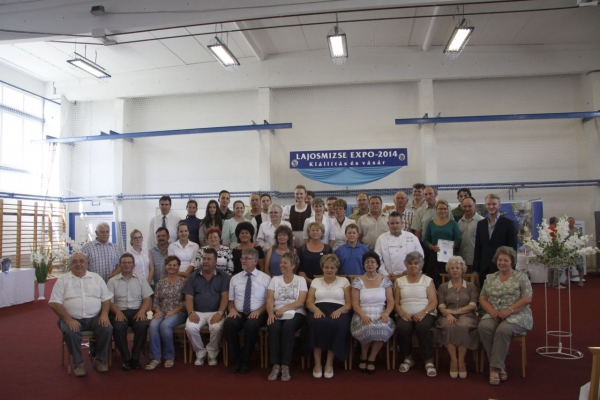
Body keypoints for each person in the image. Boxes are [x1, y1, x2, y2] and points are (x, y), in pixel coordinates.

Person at [49, 252, 113, 376]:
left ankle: (100, 360)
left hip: (95, 317)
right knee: (71, 332)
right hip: (71, 318)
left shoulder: (96, 278)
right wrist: (68, 320)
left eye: (81, 261)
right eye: (75, 261)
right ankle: (78, 363)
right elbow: (54, 303)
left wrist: (104, 314)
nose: (78, 264)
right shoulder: (63, 280)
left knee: (107, 328)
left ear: (87, 263)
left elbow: (106, 299)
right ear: (70, 264)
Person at [478, 246, 533, 385]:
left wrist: (509, 310)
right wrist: (492, 311)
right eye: (500, 260)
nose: (502, 263)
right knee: (483, 327)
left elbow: (527, 298)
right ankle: (501, 365)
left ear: (512, 262)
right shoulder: (490, 278)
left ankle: (494, 368)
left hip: (517, 314)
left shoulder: (521, 277)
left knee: (503, 330)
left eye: (506, 260)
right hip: (494, 313)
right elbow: (482, 297)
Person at [224, 248, 271, 373]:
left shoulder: (265, 278)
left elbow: (269, 301)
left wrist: (259, 311)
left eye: (247, 258)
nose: (243, 261)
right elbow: (230, 301)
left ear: (255, 261)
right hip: (239, 312)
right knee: (228, 323)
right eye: (242, 258)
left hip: (258, 312)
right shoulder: (235, 278)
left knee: (251, 326)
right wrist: (231, 310)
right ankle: (236, 359)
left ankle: (246, 359)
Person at [305, 254, 352, 379]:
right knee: (314, 323)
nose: (329, 270)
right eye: (326, 267)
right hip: (318, 309)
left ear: (337, 269)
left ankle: (329, 363)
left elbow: (349, 304)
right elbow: (309, 302)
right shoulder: (315, 281)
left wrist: (340, 310)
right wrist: (315, 309)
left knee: (338, 324)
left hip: (339, 310)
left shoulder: (344, 281)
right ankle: (317, 363)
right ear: (322, 268)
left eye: (332, 267)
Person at [394, 251, 438, 377]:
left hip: (425, 313)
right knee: (402, 327)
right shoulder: (399, 281)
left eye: (416, 263)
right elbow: (396, 302)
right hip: (404, 314)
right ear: (406, 265)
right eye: (410, 263)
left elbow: (433, 301)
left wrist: (424, 312)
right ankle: (408, 358)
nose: (413, 266)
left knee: (422, 327)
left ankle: (428, 361)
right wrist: (402, 313)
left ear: (420, 266)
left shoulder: (427, 280)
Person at [350, 251, 395, 374]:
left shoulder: (385, 280)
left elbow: (391, 302)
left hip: (381, 313)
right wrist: (363, 315)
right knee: (367, 327)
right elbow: (355, 304)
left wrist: (386, 314)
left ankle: (372, 358)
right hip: (362, 313)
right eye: (367, 262)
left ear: (377, 265)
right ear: (363, 265)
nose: (370, 264)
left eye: (372, 262)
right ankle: (363, 355)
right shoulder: (357, 281)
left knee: (383, 328)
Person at [107, 253, 153, 370]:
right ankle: (126, 358)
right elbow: (109, 302)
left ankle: (136, 358)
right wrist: (117, 312)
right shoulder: (112, 281)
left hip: (137, 311)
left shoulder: (141, 279)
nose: (126, 265)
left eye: (129, 262)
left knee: (142, 325)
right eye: (124, 263)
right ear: (120, 265)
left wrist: (142, 311)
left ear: (133, 265)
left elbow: (147, 298)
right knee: (118, 327)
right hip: (119, 311)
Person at [184, 248, 230, 366]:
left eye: (209, 259)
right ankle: (200, 353)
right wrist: (191, 312)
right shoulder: (193, 276)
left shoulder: (223, 276)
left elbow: (225, 297)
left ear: (215, 262)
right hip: (197, 312)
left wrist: (220, 313)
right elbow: (188, 297)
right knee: (190, 328)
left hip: (216, 312)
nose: (205, 261)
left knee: (216, 328)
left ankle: (212, 354)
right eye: (204, 258)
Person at [266, 252, 308, 382]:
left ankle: (285, 365)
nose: (281, 265)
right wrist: (270, 314)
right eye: (281, 262)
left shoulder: (300, 280)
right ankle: (275, 364)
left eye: (285, 263)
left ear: (293, 265)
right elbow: (269, 300)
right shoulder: (275, 279)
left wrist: (284, 308)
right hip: (277, 312)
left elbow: (301, 301)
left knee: (288, 328)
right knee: (273, 327)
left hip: (296, 312)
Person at [435, 256, 479, 379]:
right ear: (448, 270)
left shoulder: (471, 286)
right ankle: (454, 361)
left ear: (462, 269)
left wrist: (456, 311)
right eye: (452, 268)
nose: (455, 270)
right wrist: (448, 314)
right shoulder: (443, 287)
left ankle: (461, 361)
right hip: (447, 315)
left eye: (457, 268)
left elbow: (473, 305)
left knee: (463, 326)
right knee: (449, 325)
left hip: (467, 314)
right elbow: (441, 305)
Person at [145, 255, 187, 370]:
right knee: (153, 325)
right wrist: (157, 311)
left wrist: (173, 311)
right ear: (165, 267)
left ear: (178, 267)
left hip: (178, 312)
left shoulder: (184, 282)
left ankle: (169, 357)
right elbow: (156, 301)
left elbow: (186, 302)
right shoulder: (160, 282)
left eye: (174, 265)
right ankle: (155, 358)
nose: (172, 267)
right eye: (169, 265)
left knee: (165, 325)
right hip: (162, 311)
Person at [473, 194, 518, 286]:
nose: (491, 207)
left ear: (499, 205)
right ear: (486, 205)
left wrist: (512, 269)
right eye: (488, 204)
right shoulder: (481, 224)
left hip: (502, 267)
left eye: (494, 204)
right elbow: (478, 248)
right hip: (484, 268)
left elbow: (513, 249)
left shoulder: (509, 224)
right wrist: (475, 270)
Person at [423, 199, 462, 288]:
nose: (442, 211)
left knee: (449, 280)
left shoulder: (453, 224)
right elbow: (425, 240)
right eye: (440, 209)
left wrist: (450, 247)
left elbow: (458, 240)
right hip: (434, 256)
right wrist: (432, 247)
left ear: (447, 210)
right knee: (434, 280)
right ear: (436, 210)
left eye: (444, 209)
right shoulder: (431, 224)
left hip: (449, 257)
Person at [375, 212, 423, 282]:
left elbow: (420, 257)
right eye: (392, 223)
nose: (395, 226)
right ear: (388, 224)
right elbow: (377, 259)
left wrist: (411, 271)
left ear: (402, 223)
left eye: (397, 223)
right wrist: (385, 274)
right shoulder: (381, 239)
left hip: (410, 276)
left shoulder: (412, 237)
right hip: (389, 277)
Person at [297, 222, 333, 286]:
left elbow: (332, 265)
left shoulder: (327, 249)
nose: (315, 232)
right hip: (305, 283)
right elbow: (299, 267)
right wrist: (307, 280)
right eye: (312, 230)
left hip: (324, 282)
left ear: (322, 232)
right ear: (309, 233)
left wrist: (322, 280)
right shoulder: (302, 249)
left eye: (317, 230)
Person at [458, 197, 484, 272]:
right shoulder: (459, 222)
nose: (467, 208)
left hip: (476, 261)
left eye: (469, 206)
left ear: (475, 206)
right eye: (465, 206)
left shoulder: (482, 221)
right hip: (462, 261)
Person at [568, 216, 585, 287]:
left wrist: (579, 249)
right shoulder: (565, 231)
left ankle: (580, 280)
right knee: (567, 267)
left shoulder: (578, 231)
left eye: (571, 221)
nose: (569, 223)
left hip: (576, 251)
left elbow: (582, 240)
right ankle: (568, 280)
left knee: (580, 266)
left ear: (574, 222)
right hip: (567, 252)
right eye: (568, 221)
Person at [547, 217, 563, 289]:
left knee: (550, 267)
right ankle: (556, 284)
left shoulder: (547, 229)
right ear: (555, 222)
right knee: (557, 267)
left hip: (548, 250)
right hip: (555, 249)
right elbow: (557, 240)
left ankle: (550, 283)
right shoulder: (555, 230)